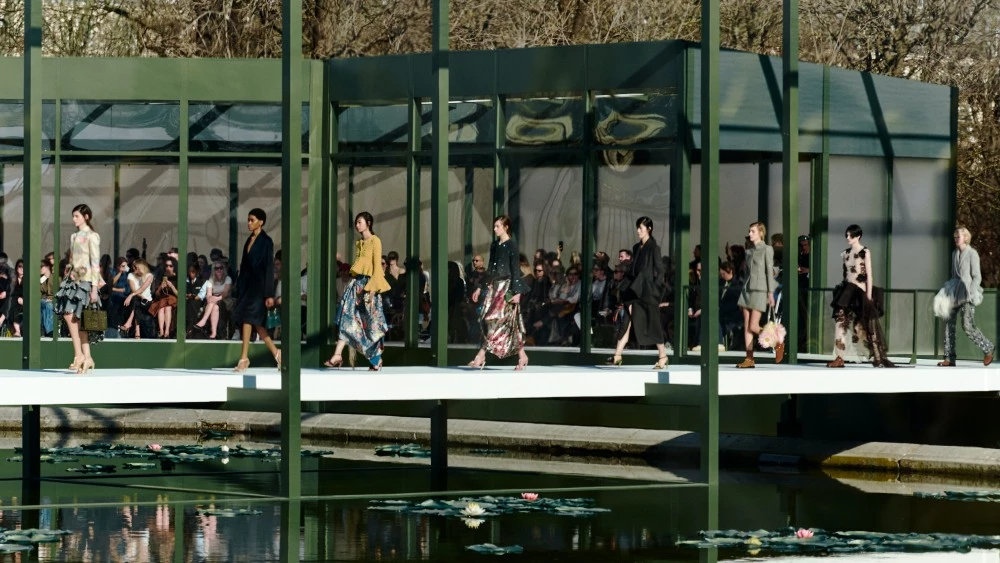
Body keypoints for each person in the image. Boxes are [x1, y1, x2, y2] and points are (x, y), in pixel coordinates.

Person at [325, 211, 391, 370]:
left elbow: (377, 268)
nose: (357, 225)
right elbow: (360, 265)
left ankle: (376, 359)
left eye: (359, 222)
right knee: (346, 317)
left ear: (369, 223)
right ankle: (337, 354)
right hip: (356, 285)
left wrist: (372, 291)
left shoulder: (375, 241)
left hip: (369, 286)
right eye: (356, 222)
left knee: (370, 324)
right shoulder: (359, 243)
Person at [467, 215, 530, 370]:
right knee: (506, 322)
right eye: (494, 226)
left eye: (498, 226)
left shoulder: (512, 245)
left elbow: (515, 270)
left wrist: (517, 292)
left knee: (498, 322)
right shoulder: (495, 245)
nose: (495, 229)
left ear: (506, 227)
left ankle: (481, 355)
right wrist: (480, 287)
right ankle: (522, 356)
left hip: (507, 288)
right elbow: (490, 268)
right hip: (495, 287)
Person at [827, 224, 894, 368]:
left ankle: (878, 357)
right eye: (847, 235)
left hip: (860, 292)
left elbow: (869, 275)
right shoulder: (845, 253)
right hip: (846, 292)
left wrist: (868, 296)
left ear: (858, 236)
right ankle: (839, 357)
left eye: (850, 235)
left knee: (867, 325)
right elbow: (846, 274)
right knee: (840, 322)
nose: (848, 237)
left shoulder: (865, 252)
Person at [609, 216, 669, 369]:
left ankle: (663, 356)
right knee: (626, 319)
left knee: (652, 322)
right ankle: (617, 355)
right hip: (635, 289)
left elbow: (660, 271)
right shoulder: (636, 247)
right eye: (637, 228)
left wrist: (655, 290)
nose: (638, 231)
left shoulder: (653, 248)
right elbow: (634, 269)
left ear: (649, 229)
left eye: (641, 228)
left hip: (647, 292)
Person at [53, 203, 102, 373]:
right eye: (73, 216)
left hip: (86, 281)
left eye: (77, 216)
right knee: (70, 316)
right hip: (73, 280)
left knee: (78, 318)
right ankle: (81, 356)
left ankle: (83, 356)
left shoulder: (92, 236)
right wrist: (69, 269)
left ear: (86, 217)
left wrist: (94, 288)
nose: (74, 219)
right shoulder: (74, 236)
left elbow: (95, 262)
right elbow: (73, 259)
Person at [231, 208, 281, 372]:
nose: (249, 223)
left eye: (252, 220)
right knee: (255, 323)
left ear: (261, 222)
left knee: (250, 319)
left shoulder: (266, 241)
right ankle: (276, 354)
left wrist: (269, 294)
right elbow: (243, 265)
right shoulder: (249, 240)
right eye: (248, 220)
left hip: (259, 288)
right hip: (247, 287)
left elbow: (268, 268)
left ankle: (244, 358)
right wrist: (239, 285)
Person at [936, 227, 994, 367]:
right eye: (955, 237)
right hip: (955, 293)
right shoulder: (954, 254)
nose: (956, 239)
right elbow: (954, 275)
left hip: (968, 293)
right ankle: (949, 358)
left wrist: (971, 292)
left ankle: (988, 348)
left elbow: (977, 277)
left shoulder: (972, 254)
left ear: (966, 238)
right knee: (948, 322)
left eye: (958, 237)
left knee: (967, 325)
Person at [736, 221, 781, 368]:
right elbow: (747, 273)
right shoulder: (749, 252)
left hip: (760, 289)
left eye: (753, 231)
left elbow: (769, 272)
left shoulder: (767, 249)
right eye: (749, 231)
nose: (750, 234)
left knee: (754, 326)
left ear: (761, 233)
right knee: (747, 325)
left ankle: (776, 341)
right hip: (746, 290)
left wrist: (770, 293)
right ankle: (749, 358)